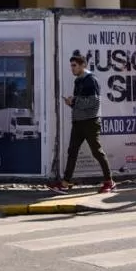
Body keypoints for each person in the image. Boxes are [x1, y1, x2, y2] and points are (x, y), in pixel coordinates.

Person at [50, 51, 115, 194]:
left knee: (96, 152)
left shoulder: (90, 80)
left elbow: (94, 102)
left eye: (74, 65)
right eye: (71, 66)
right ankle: (65, 183)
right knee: (72, 151)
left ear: (83, 65)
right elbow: (81, 102)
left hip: (90, 122)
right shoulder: (78, 81)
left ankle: (109, 181)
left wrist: (74, 101)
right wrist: (71, 103)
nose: (72, 68)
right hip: (78, 122)